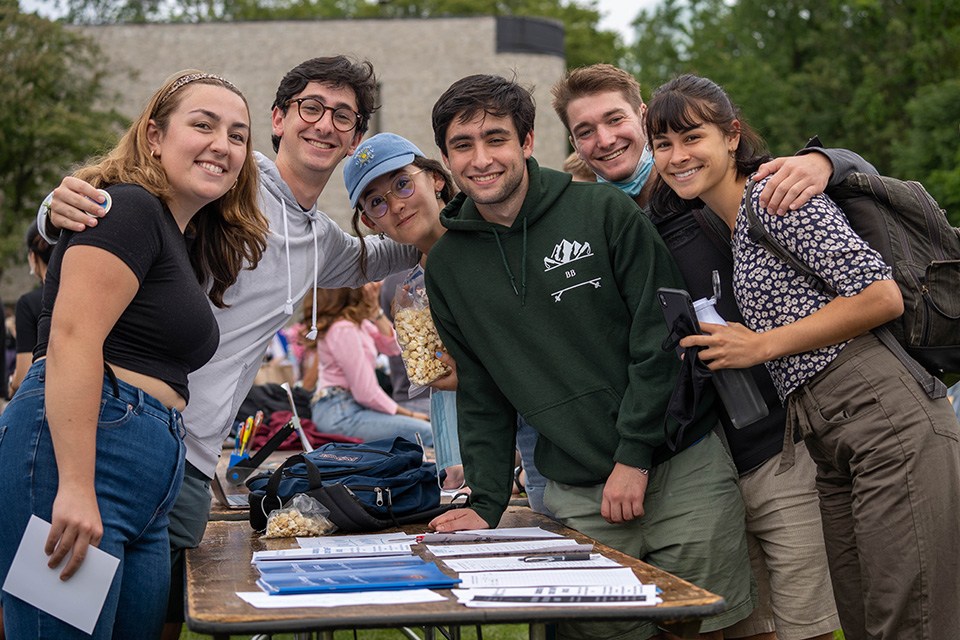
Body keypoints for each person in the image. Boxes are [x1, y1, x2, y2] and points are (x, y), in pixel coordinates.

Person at [42, 56, 418, 639]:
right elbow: (129, 192)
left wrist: (456, 215)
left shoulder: (322, 242)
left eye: (343, 116)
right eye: (310, 108)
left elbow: (397, 250)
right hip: (111, 437)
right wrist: (53, 209)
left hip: (189, 468)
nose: (324, 124)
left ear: (356, 138)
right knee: (59, 615)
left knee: (151, 625)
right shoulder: (227, 183)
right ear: (279, 118)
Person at [424, 74, 755, 639]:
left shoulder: (601, 210)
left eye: (496, 139)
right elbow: (482, 389)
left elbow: (661, 339)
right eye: (463, 145)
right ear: (446, 157)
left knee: (706, 632)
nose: (481, 159)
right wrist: (485, 498)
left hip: (682, 466)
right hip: (578, 490)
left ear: (527, 142)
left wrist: (634, 454)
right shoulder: (447, 267)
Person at [646, 73, 960, 640]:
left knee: (910, 619)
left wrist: (759, 345)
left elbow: (879, 295)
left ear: (732, 136)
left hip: (880, 412)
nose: (677, 156)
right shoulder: (737, 224)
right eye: (663, 144)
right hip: (825, 430)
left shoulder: (776, 197)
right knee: (863, 617)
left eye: (692, 138)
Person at [550, 63, 853, 640]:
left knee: (804, 625)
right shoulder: (589, 225)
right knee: (738, 624)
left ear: (642, 118)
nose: (604, 139)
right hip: (698, 459)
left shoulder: (704, 189)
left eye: (615, 119)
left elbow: (828, 205)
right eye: (584, 130)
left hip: (776, 446)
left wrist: (828, 160)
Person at [0, 70, 266, 639]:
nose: (224, 143)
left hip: (149, 479)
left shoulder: (181, 237)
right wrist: (72, 485)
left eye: (239, 135)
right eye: (203, 125)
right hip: (82, 455)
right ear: (153, 136)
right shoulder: (127, 208)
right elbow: (72, 339)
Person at [308, 282, 433, 444]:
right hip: (341, 413)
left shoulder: (356, 325)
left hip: (343, 409)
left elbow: (394, 348)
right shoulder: (344, 329)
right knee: (427, 432)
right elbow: (366, 393)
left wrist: (375, 310)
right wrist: (410, 415)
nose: (374, 284)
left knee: (424, 431)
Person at [9, 218, 55, 397]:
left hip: (43, 400)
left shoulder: (28, 303)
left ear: (32, 256)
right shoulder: (85, 295)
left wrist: (11, 385)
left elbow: (24, 377)